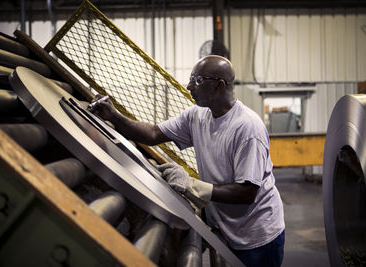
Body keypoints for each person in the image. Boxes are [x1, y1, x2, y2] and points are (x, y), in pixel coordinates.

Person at [90, 55, 285, 267]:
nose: (189, 86)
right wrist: (115, 116)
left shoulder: (247, 128)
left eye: (198, 80)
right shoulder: (197, 116)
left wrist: (192, 186)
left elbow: (247, 192)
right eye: (192, 78)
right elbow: (154, 134)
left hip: (256, 236)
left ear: (220, 85)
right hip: (227, 227)